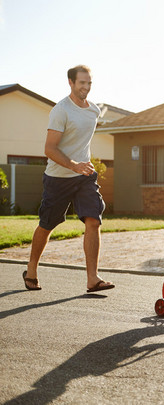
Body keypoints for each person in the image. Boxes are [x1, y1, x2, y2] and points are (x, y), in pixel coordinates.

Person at [22, 65, 114, 293]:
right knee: (47, 224)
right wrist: (73, 164)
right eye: (81, 83)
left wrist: (83, 166)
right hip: (58, 177)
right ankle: (31, 269)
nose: (86, 87)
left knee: (93, 220)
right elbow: (50, 149)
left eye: (89, 83)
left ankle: (92, 279)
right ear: (71, 83)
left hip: (84, 177)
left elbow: (81, 143)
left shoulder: (93, 111)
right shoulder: (61, 110)